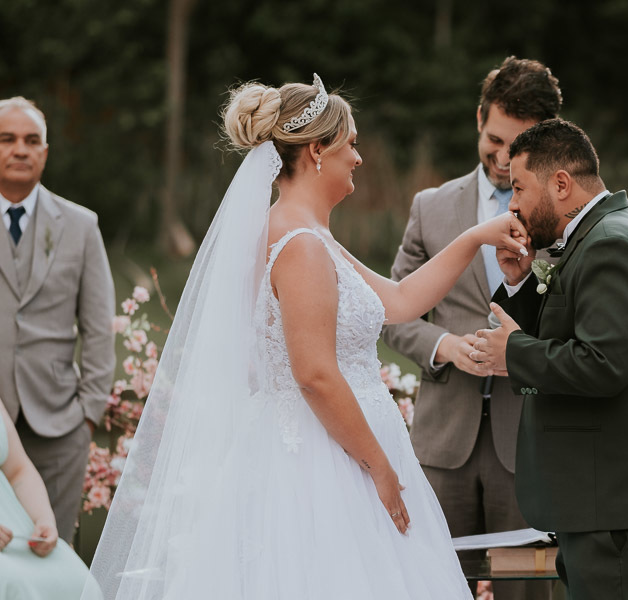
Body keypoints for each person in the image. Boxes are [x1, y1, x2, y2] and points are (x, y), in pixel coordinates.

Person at [87, 75, 530, 600]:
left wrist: (477, 234)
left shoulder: (308, 234)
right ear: (318, 151)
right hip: (325, 463)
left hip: (338, 448)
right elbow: (315, 375)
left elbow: (401, 301)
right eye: (351, 145)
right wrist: (380, 467)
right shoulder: (301, 245)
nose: (359, 159)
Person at [471, 119, 628, 600]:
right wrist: (521, 282)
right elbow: (570, 332)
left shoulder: (612, 243)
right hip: (605, 502)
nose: (511, 204)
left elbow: (603, 364)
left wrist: (512, 353)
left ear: (560, 183)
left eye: (519, 187)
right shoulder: (598, 237)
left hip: (619, 504)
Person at [382, 56, 560, 600]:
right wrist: (443, 346)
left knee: (525, 590)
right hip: (442, 441)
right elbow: (392, 310)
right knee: (433, 585)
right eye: (495, 139)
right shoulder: (430, 207)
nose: (505, 159)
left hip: (526, 438)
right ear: (479, 117)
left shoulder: (563, 213)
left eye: (520, 144)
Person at [0, 96, 115, 543]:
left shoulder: (80, 226)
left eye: (32, 140)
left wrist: (88, 416)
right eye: (7, 139)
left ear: (45, 152)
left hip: (60, 427)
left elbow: (98, 327)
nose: (20, 149)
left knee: (52, 549)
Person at [0, 399, 101, 599]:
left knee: (77, 581)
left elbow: (18, 471)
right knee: (13, 582)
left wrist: (43, 519)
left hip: (17, 534)